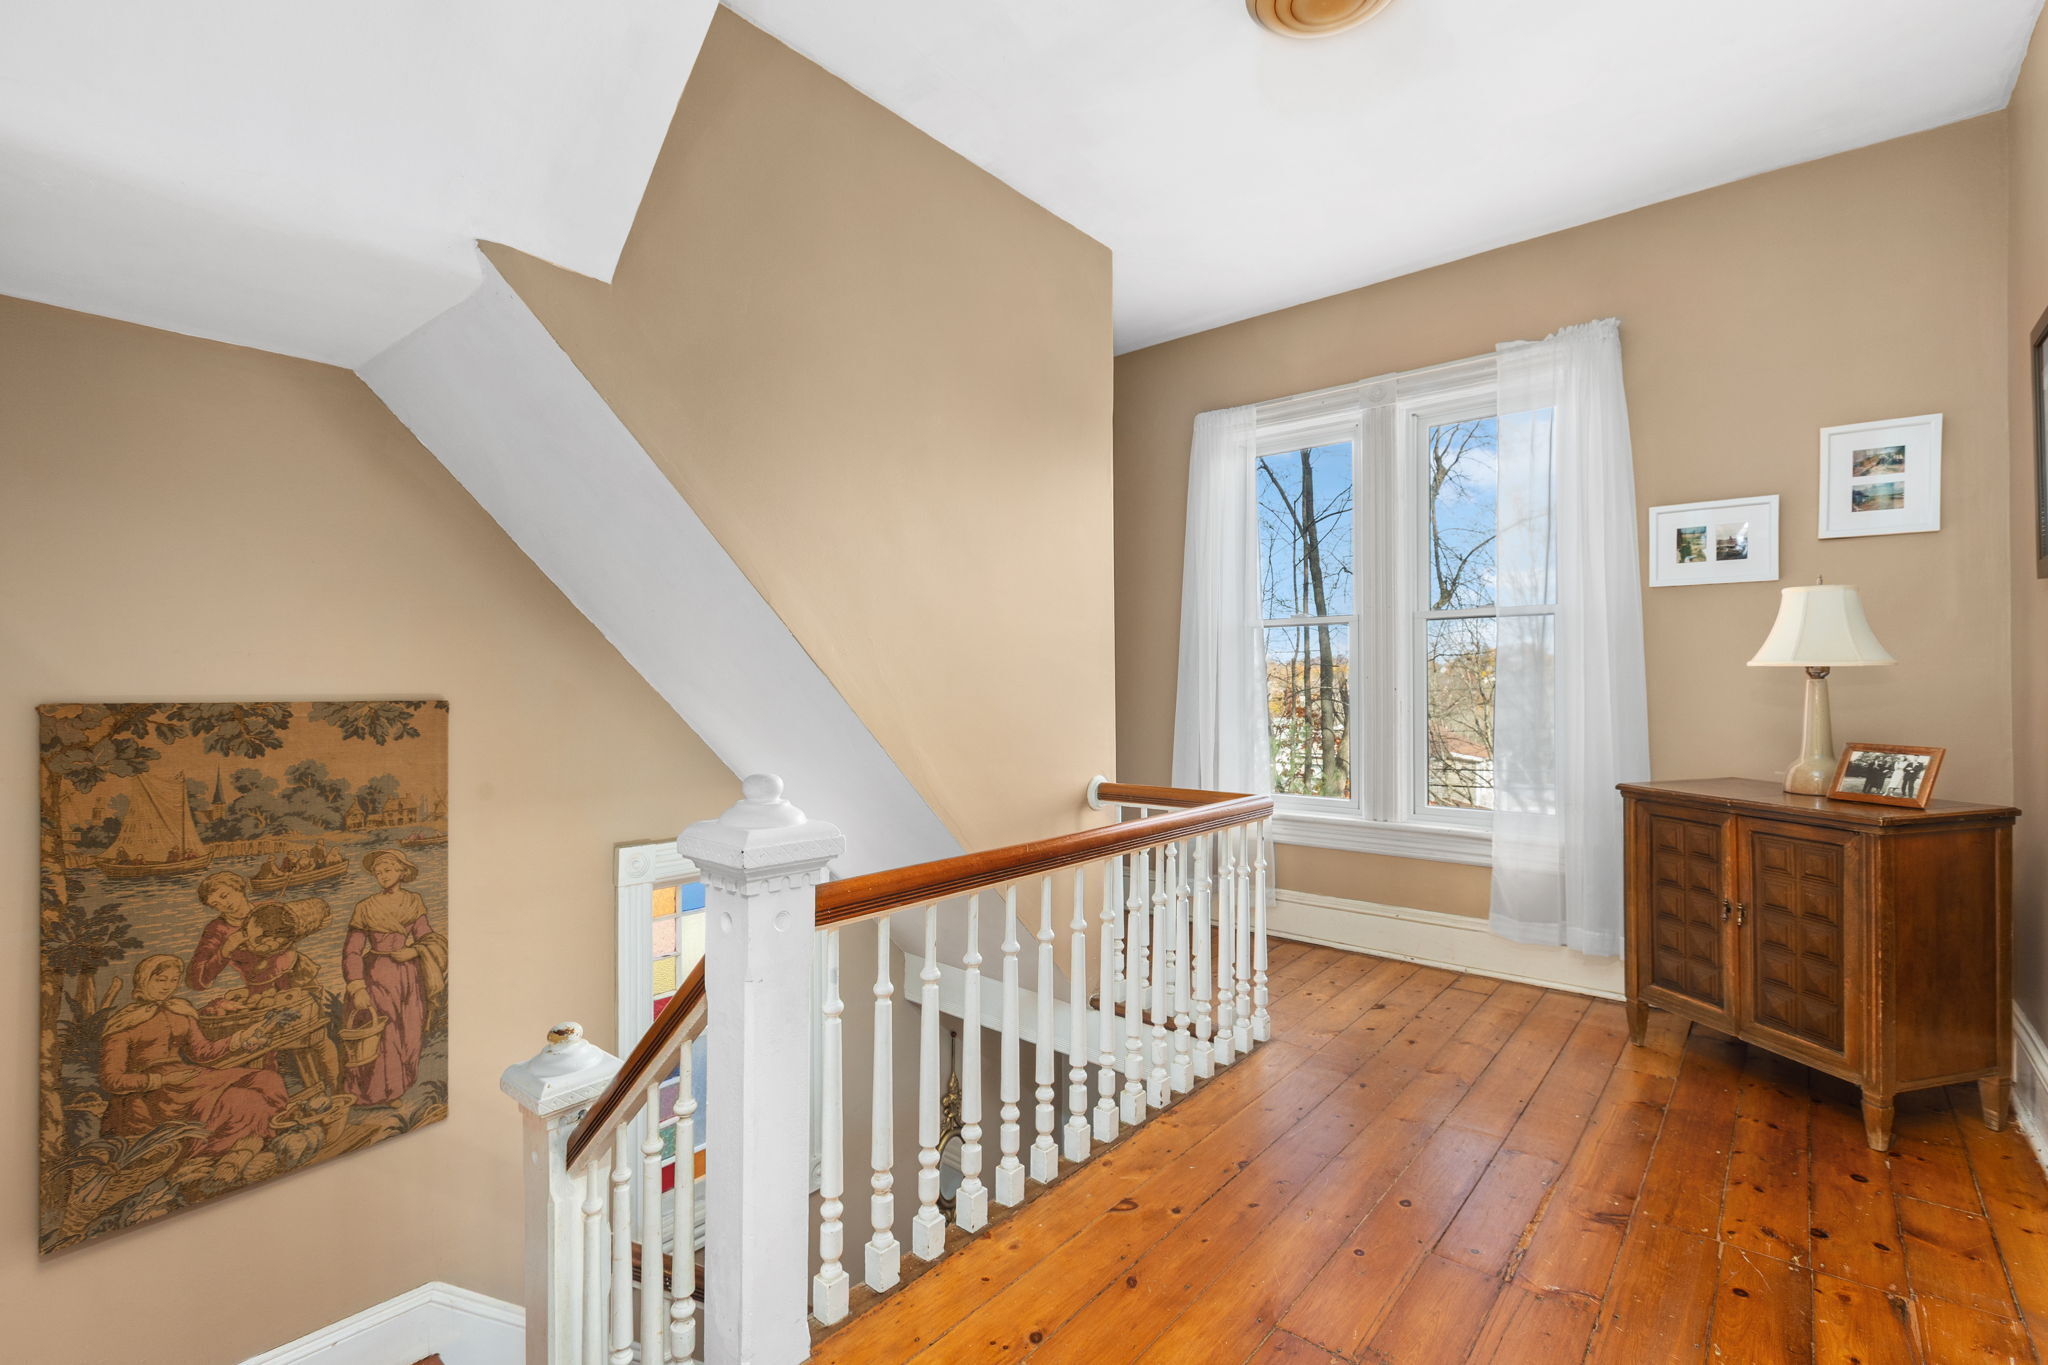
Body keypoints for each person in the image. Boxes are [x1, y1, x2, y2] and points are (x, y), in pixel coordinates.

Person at [98, 955, 287, 1167]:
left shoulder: (181, 1011)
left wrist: (240, 1039)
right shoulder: (124, 1023)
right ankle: (213, 1153)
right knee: (239, 1098)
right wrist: (161, 1080)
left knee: (267, 1079)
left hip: (189, 1078)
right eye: (161, 980)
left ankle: (264, 1133)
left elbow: (203, 1052)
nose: (167, 987)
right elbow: (111, 1079)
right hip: (155, 1096)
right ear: (143, 979)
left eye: (173, 980)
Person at [342, 850, 447, 1104]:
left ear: (401, 871)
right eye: (378, 872)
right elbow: (352, 950)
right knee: (383, 1032)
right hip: (375, 974)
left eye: (387, 870)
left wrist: (413, 950)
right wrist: (358, 987)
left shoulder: (414, 901)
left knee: (409, 1030)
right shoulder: (365, 906)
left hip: (409, 976)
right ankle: (380, 1092)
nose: (382, 876)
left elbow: (427, 937)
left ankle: (402, 1083)